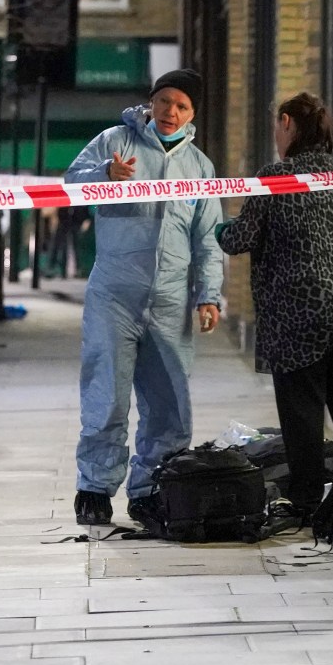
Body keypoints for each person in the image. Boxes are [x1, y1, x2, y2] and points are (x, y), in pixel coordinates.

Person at [216, 92, 333, 525]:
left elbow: (240, 238)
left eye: (275, 127)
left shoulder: (276, 176)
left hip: (299, 311)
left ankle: (305, 500)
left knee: (302, 409)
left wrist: (219, 226)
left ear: (286, 123)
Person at [64, 69, 224, 525]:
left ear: (193, 115)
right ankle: (95, 487)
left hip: (171, 300)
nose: (170, 112)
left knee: (170, 402)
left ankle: (153, 488)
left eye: (182, 106)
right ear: (151, 102)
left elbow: (207, 239)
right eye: (164, 101)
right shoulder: (116, 141)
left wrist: (208, 295)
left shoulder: (200, 167)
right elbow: (70, 183)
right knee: (106, 394)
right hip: (114, 292)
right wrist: (105, 174)